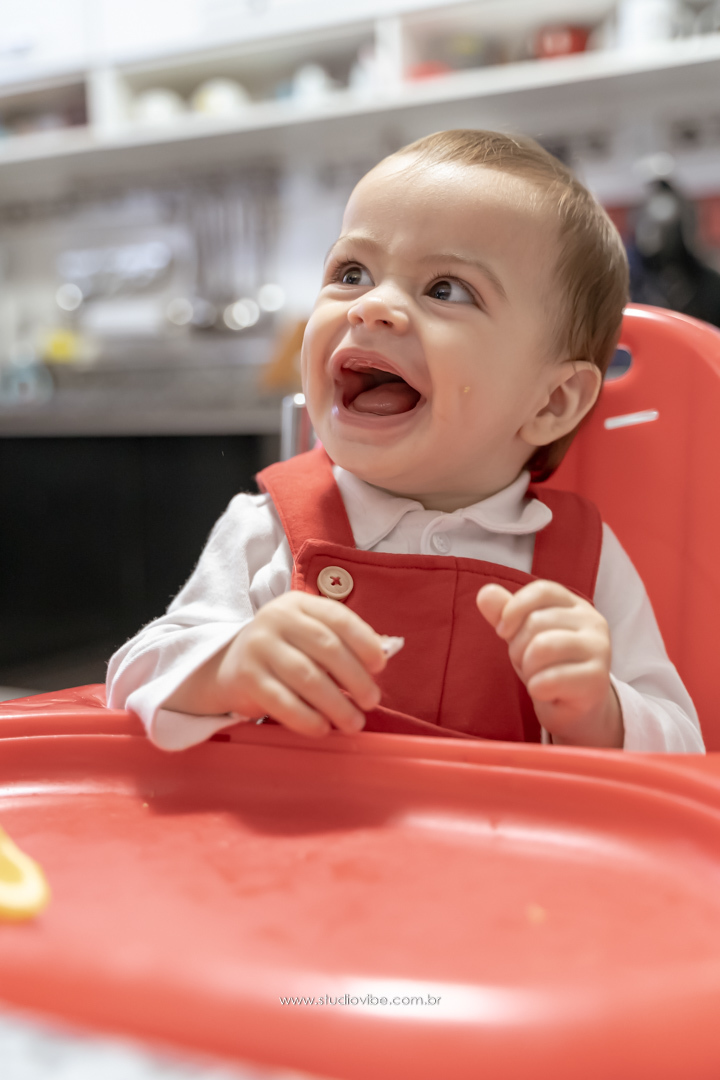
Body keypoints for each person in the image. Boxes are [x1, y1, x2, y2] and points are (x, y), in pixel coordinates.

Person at [107, 129, 703, 754]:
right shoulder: (267, 528)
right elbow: (136, 673)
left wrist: (600, 711)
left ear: (551, 401)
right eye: (352, 273)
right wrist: (227, 666)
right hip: (296, 819)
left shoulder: (586, 560)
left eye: (446, 289)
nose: (371, 306)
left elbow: (682, 748)